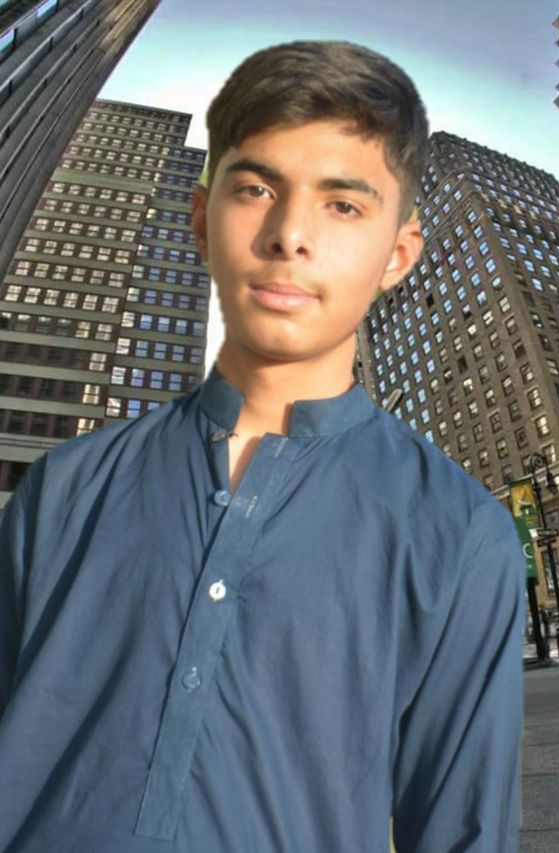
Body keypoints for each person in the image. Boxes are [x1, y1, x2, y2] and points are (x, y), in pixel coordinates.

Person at [0, 41, 525, 852]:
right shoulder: (63, 488)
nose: (289, 235)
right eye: (255, 189)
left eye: (342, 205)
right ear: (201, 219)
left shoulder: (461, 535)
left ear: (398, 254)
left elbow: (466, 831)